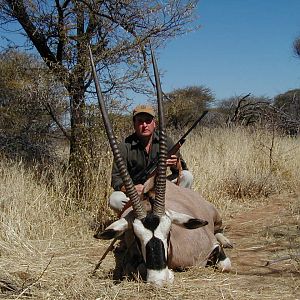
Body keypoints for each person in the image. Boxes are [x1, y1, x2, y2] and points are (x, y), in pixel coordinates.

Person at [109, 104, 193, 213]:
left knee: (187, 177)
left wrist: (175, 164)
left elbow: (181, 170)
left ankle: (175, 211)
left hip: (160, 188)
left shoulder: (166, 141)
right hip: (135, 193)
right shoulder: (124, 147)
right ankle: (138, 213)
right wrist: (131, 188)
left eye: (148, 121)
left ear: (154, 123)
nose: (144, 125)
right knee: (115, 200)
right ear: (134, 124)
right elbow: (116, 179)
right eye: (140, 121)